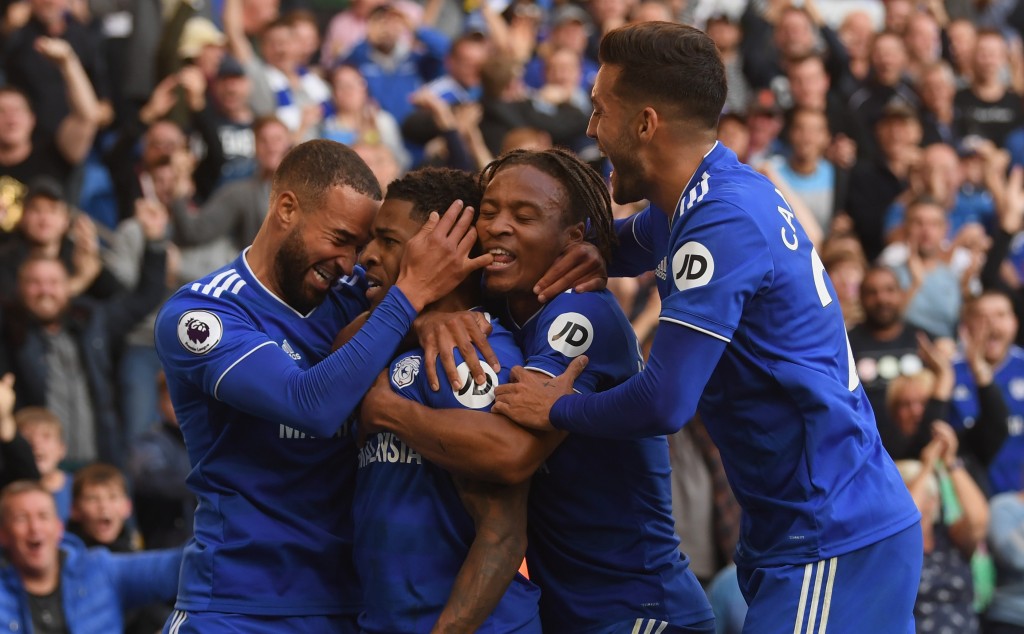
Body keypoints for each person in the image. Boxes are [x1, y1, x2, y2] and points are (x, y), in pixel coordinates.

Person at [492, 22, 922, 631]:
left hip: (830, 533)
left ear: (645, 124)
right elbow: (619, 244)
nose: (590, 129)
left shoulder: (720, 219)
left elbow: (664, 401)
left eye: (600, 110)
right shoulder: (706, 198)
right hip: (811, 530)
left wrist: (556, 408)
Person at [361, 148, 715, 633]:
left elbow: (512, 454)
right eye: (489, 212)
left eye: (524, 216)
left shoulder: (580, 311)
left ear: (573, 238)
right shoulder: (505, 310)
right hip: (573, 611)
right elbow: (353, 337)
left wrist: (387, 411)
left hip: (640, 609)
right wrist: (423, 319)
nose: (498, 227)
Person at [153, 139, 488, 633]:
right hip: (238, 605)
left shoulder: (355, 295)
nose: (351, 263)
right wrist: (411, 300)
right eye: (340, 238)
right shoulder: (203, 313)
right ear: (287, 208)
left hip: (348, 604)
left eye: (361, 245)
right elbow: (310, 404)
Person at [352, 167, 540, 633]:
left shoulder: (471, 351)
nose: (367, 256)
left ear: (449, 252)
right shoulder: (388, 342)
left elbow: (502, 535)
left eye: (388, 241)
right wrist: (416, 319)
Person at [0, 480, 182, 633]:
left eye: (43, 516)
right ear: (3, 534)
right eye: (21, 518)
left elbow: (179, 566)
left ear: (59, 528)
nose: (35, 528)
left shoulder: (99, 570)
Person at [14, 407, 71, 522]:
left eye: (46, 436)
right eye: (27, 438)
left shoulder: (78, 488)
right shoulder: (8, 491)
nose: (36, 444)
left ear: (62, 449)